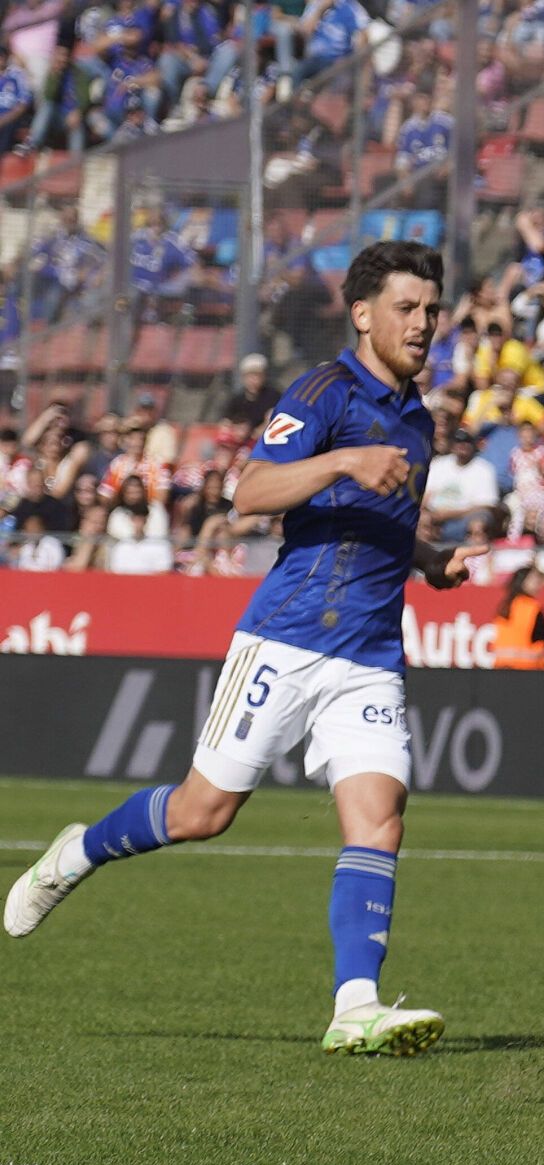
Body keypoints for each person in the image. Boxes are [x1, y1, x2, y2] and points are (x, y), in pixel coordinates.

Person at [6, 241, 478, 1056]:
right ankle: (78, 849)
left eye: (431, 310)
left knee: (380, 818)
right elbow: (248, 490)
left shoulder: (417, 419)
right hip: (286, 637)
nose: (423, 324)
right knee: (202, 813)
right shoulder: (322, 393)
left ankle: (355, 1005)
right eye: (407, 308)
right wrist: (343, 458)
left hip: (369, 650)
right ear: (362, 314)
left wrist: (430, 560)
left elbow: (384, 520)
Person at [491, 565, 544, 670]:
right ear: (523, 582)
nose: (538, 585)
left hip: (501, 667)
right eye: (534, 580)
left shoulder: (504, 607)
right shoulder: (533, 608)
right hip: (528, 669)